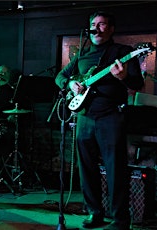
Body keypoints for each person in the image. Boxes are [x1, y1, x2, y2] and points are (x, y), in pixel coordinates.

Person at [55, 11, 144, 230]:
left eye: (102, 24)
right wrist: (71, 85)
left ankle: (121, 219)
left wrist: (123, 77)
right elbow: (60, 77)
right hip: (85, 118)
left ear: (111, 29)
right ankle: (95, 213)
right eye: (93, 24)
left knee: (115, 169)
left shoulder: (123, 53)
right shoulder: (83, 56)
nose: (97, 28)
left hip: (110, 117)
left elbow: (138, 83)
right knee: (87, 169)